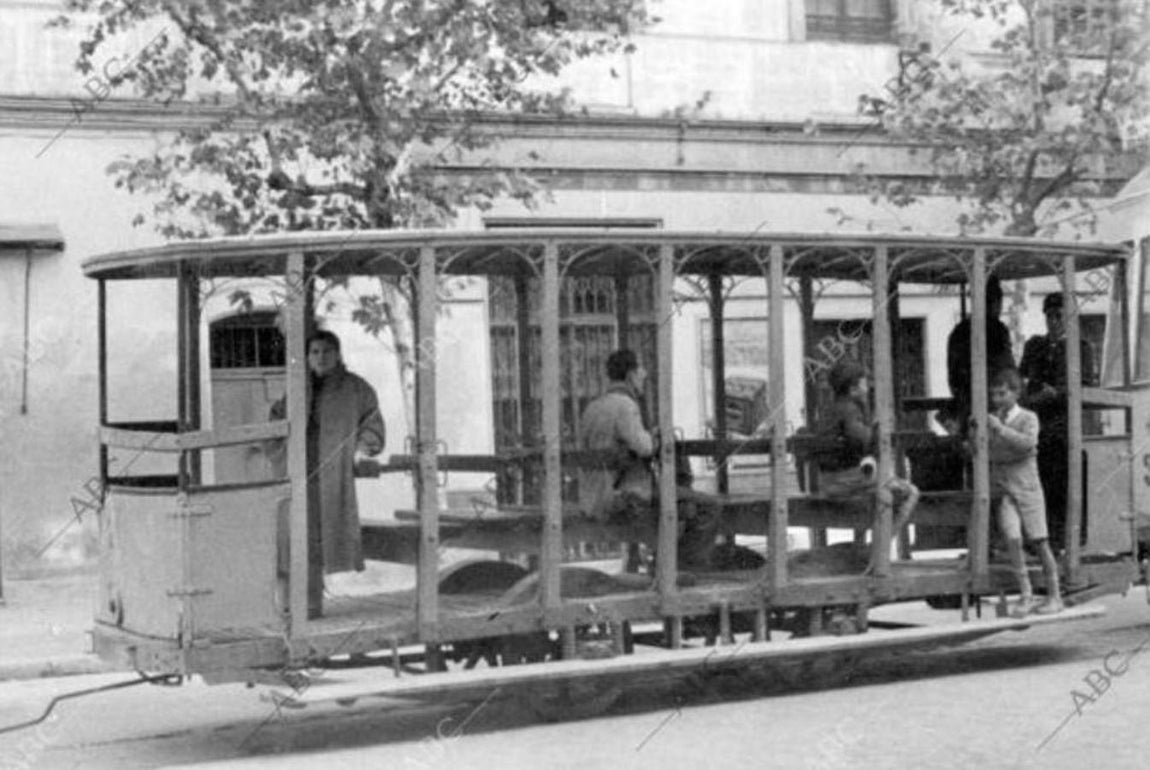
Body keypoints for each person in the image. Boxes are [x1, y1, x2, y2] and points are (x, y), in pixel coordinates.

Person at [268, 330, 386, 618]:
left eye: (327, 351)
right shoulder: (297, 389)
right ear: (307, 357)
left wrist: (362, 449)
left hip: (332, 476)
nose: (321, 357)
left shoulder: (357, 389)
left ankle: (311, 606)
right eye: (315, 352)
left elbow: (372, 424)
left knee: (320, 539)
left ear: (338, 354)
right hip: (299, 474)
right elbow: (275, 422)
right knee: (291, 538)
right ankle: (287, 606)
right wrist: (279, 453)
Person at [578, 349, 719, 571]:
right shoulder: (625, 405)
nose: (644, 374)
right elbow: (645, 448)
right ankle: (682, 565)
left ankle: (668, 561)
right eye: (640, 370)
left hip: (594, 495)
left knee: (683, 500)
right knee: (709, 506)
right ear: (631, 375)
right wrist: (656, 437)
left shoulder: (593, 407)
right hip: (624, 495)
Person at [816, 359, 920, 573]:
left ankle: (869, 550)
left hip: (832, 479)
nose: (867, 387)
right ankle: (877, 552)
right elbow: (862, 439)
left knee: (884, 484)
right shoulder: (849, 409)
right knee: (910, 492)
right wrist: (877, 430)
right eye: (864, 383)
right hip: (843, 481)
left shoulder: (834, 407)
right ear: (853, 388)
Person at [1019, 293, 1097, 553]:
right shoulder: (1035, 346)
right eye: (1049, 316)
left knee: (1061, 482)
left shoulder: (1081, 348)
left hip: (1064, 425)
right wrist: (1028, 396)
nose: (1054, 322)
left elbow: (1087, 386)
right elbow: (1021, 378)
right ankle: (1038, 539)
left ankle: (1060, 539)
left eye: (1059, 316)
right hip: (1036, 424)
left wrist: (1057, 394)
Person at [986, 367, 1063, 616]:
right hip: (1005, 489)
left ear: (1016, 393)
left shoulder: (1029, 418)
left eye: (1002, 394)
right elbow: (990, 451)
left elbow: (1027, 444)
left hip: (1028, 490)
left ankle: (1055, 596)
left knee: (1040, 542)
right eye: (994, 394)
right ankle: (1026, 594)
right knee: (1013, 538)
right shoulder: (993, 420)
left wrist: (1000, 431)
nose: (997, 399)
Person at [946, 277, 1015, 429]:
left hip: (967, 403)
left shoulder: (959, 330)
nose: (998, 307)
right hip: (988, 405)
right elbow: (1006, 368)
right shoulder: (996, 330)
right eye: (994, 301)